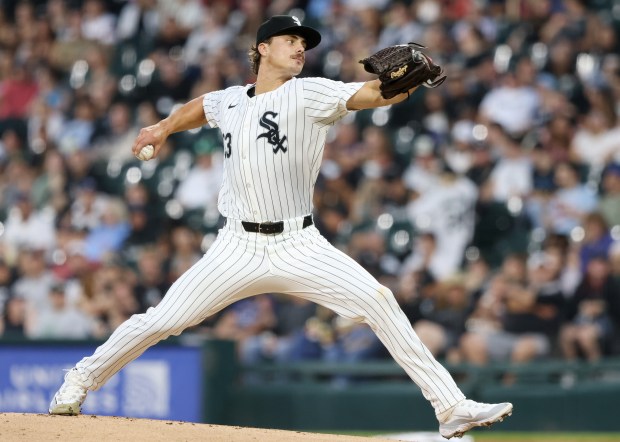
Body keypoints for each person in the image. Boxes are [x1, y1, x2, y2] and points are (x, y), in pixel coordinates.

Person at [48, 15, 512, 439]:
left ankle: (450, 406)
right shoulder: (231, 100)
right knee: (163, 321)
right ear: (262, 49)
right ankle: (79, 380)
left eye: (302, 43)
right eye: (289, 40)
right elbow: (200, 106)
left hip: (298, 242)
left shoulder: (309, 92)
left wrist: (402, 87)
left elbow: (370, 94)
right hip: (236, 246)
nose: (299, 48)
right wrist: (163, 128)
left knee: (378, 300)